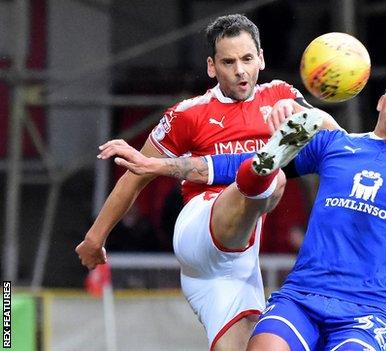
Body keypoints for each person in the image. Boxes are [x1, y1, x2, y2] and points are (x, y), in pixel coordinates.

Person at [101, 61, 386, 351]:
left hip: (364, 311)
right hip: (301, 297)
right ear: (380, 98)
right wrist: (156, 166)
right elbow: (238, 168)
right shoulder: (334, 146)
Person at [75, 14, 337, 351]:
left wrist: (315, 116)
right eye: (229, 62)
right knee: (273, 178)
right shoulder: (188, 113)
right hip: (200, 229)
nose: (240, 70)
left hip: (233, 273)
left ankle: (263, 168)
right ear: (212, 67)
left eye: (246, 59)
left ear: (261, 57)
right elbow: (136, 175)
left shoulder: (280, 96)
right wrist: (95, 238)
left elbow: (336, 144)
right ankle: (262, 167)